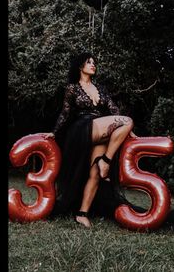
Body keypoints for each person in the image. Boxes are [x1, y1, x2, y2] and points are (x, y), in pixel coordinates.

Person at [45, 51, 138, 228]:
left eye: (94, 62)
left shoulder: (101, 88)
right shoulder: (72, 88)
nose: (93, 65)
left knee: (95, 173)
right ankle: (106, 161)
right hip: (82, 128)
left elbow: (113, 109)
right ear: (80, 66)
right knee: (127, 121)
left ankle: (82, 214)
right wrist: (54, 132)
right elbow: (65, 113)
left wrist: (128, 132)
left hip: (100, 128)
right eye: (89, 62)